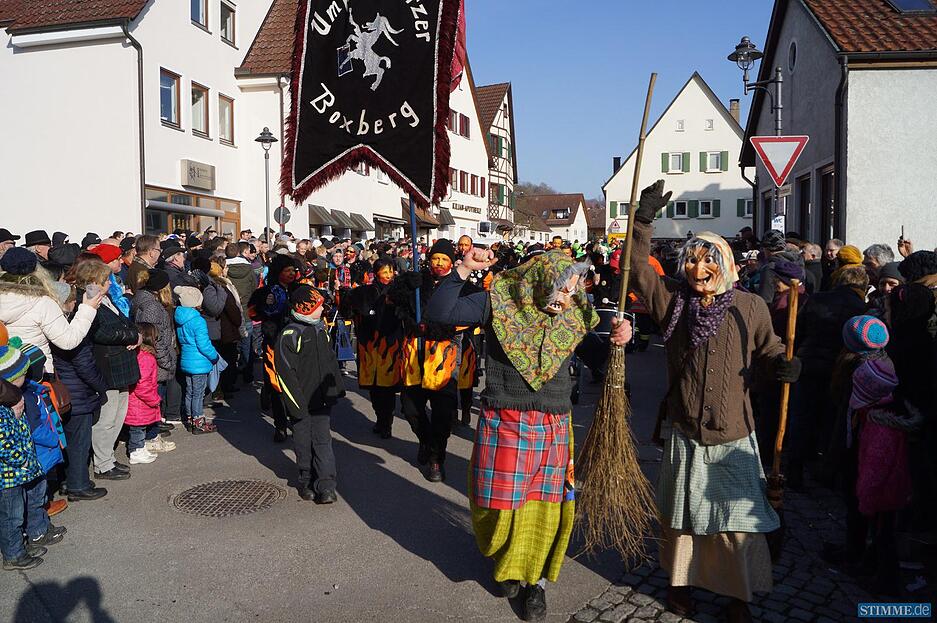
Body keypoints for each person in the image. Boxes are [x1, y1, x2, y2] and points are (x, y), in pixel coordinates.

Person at [423, 243, 631, 622]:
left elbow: (597, 357)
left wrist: (620, 337)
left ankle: (534, 581)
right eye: (560, 287)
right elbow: (439, 313)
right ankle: (504, 558)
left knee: (546, 510)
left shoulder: (573, 315)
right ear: (538, 282)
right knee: (496, 507)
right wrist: (464, 268)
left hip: (554, 422)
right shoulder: (497, 304)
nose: (567, 296)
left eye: (572, 288)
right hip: (504, 418)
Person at [625, 181, 800, 622]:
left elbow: (769, 350)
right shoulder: (673, 303)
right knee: (682, 518)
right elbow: (636, 269)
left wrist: (781, 366)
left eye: (708, 259)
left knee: (734, 520)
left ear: (726, 265)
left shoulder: (750, 307)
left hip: (734, 432)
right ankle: (681, 587)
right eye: (692, 259)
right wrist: (641, 221)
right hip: (686, 428)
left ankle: (737, 596)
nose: (698, 267)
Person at [274, 285, 345, 503]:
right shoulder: (290, 334)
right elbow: (285, 374)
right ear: (304, 308)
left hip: (322, 399)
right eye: (318, 305)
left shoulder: (319, 329)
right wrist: (296, 405)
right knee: (304, 443)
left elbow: (330, 362)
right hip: (301, 402)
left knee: (323, 442)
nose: (323, 309)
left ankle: (326, 485)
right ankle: (306, 479)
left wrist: (336, 388)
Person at [79, 259, 140, 481]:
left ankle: (109, 458)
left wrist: (136, 333)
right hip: (107, 364)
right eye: (106, 279)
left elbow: (125, 322)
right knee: (106, 417)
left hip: (120, 362)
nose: (109, 282)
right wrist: (131, 336)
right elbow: (99, 333)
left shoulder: (106, 299)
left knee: (119, 413)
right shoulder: (87, 301)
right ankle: (103, 464)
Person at [0, 248, 103, 375]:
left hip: (5, 373)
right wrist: (88, 308)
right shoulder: (41, 303)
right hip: (36, 372)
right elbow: (68, 341)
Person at [0, 342, 47, 570]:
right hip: (8, 474)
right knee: (12, 516)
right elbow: (4, 443)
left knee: (17, 513)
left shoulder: (11, 401)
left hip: (16, 472)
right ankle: (13, 554)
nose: (27, 378)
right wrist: (22, 459)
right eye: (23, 375)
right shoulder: (2, 411)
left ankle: (20, 546)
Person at [344, 258, 402, 438]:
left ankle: (387, 422)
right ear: (376, 274)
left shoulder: (398, 291)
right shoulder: (366, 292)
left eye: (391, 271)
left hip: (390, 344)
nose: (389, 275)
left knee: (388, 388)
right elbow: (351, 311)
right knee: (375, 389)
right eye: (385, 272)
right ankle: (380, 417)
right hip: (369, 346)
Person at [248, 254, 300, 441]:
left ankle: (296, 421)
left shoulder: (299, 290)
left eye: (293, 270)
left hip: (297, 345)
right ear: (278, 273)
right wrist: (264, 305)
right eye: (287, 271)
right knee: (277, 386)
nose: (292, 274)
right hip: (274, 343)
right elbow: (252, 312)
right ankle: (280, 426)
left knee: (295, 386)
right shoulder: (266, 291)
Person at [174, 286, 219, 434]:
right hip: (199, 361)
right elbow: (204, 344)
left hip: (187, 359)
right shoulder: (198, 320)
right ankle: (199, 422)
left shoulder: (181, 318)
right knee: (198, 394)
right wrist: (214, 356)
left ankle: (191, 419)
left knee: (190, 392)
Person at [125, 323, 171, 465]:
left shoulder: (140, 355)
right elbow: (142, 384)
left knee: (140, 427)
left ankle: (141, 448)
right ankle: (136, 451)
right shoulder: (145, 358)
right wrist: (154, 399)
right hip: (140, 402)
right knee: (137, 429)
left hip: (138, 401)